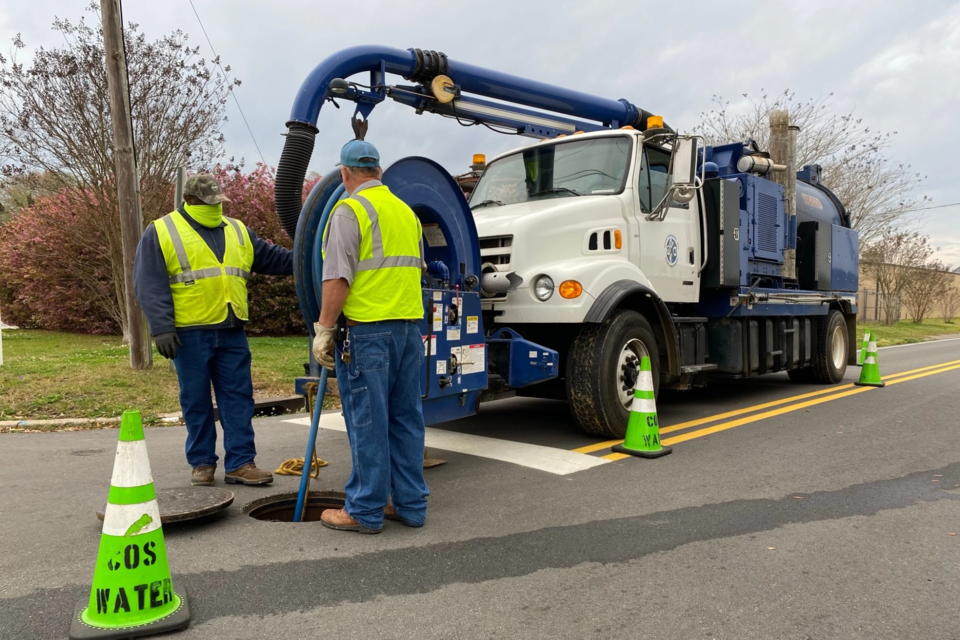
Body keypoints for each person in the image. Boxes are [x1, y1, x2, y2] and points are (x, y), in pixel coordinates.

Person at [134, 174, 293, 487]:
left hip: (231, 327)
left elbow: (272, 258)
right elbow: (148, 282)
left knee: (239, 399)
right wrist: (162, 327)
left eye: (219, 202)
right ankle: (202, 463)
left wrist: (314, 255)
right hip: (189, 331)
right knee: (196, 401)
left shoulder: (237, 230)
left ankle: (241, 463)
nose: (216, 208)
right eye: (209, 203)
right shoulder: (162, 230)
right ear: (190, 200)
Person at [313, 127, 428, 534]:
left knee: (368, 422)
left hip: (368, 334)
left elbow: (337, 279)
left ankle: (364, 510)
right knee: (406, 420)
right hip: (409, 332)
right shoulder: (406, 212)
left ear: (345, 174)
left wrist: (324, 329)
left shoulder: (349, 211)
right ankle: (411, 505)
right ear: (379, 171)